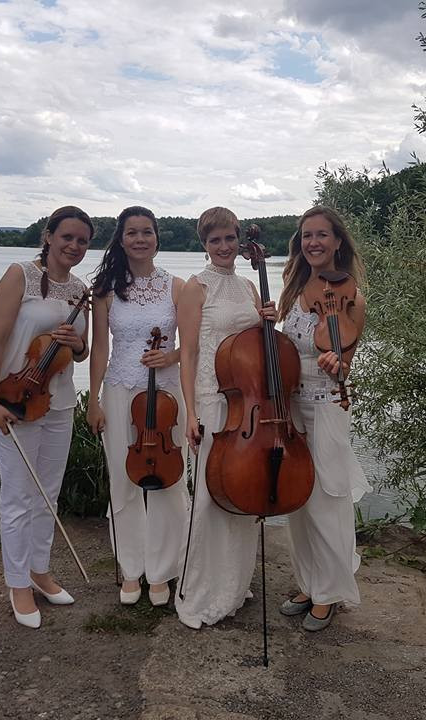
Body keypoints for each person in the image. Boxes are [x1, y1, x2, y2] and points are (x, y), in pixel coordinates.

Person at [0, 205, 92, 629]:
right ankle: (18, 584)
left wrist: (76, 341)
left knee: (48, 490)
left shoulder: (80, 288)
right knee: (16, 495)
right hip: (15, 397)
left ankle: (40, 570)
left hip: (58, 401)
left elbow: (79, 353)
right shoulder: (20, 275)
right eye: (67, 237)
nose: (74, 246)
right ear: (48, 235)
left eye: (82, 241)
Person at [174, 206, 276, 629]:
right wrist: (191, 413)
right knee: (213, 496)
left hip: (245, 401)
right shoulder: (196, 289)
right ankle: (203, 588)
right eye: (214, 240)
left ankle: (234, 585)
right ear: (204, 244)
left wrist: (271, 320)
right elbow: (189, 354)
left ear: (239, 240)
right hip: (211, 400)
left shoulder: (250, 285)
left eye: (229, 238)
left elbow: (257, 345)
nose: (223, 247)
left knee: (243, 491)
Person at [86, 206, 188, 607]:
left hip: (166, 397)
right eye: (132, 232)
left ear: (158, 238)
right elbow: (99, 350)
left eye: (147, 232)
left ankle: (162, 571)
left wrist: (172, 357)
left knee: (168, 483)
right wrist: (93, 399)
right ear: (121, 239)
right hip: (118, 389)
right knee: (123, 482)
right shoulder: (106, 289)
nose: (140, 239)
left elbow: (192, 346)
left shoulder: (177, 286)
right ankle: (131, 569)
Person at [276, 206, 370, 631]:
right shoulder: (293, 287)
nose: (313, 242)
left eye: (322, 235)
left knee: (327, 498)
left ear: (337, 242)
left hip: (327, 402)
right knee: (296, 496)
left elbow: (347, 361)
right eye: (306, 235)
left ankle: (330, 591)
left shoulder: (353, 296)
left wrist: (338, 363)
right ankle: (308, 582)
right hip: (287, 404)